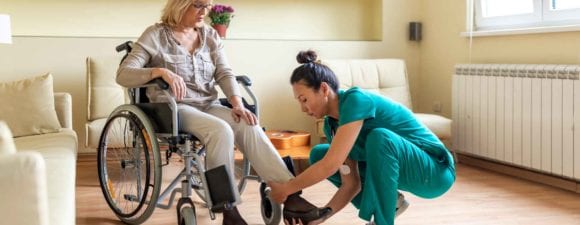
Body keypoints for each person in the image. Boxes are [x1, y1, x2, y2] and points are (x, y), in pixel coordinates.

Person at [116, 1, 319, 224]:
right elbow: (124, 75)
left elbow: (224, 73)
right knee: (220, 130)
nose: (205, 11)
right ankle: (228, 209)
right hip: (175, 109)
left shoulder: (210, 35)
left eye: (208, 5)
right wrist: (160, 71)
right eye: (198, 5)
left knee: (247, 123)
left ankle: (289, 193)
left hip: (208, 105)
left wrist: (237, 104)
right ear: (180, 5)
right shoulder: (155, 35)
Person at [269, 50, 456, 225]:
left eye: (304, 99)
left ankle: (384, 220)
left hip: (435, 172)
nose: (303, 108)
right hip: (406, 171)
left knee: (379, 137)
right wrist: (323, 214)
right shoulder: (332, 125)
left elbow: (331, 165)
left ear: (324, 89)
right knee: (319, 153)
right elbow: (351, 183)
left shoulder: (355, 100)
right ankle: (392, 204)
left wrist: (287, 188)